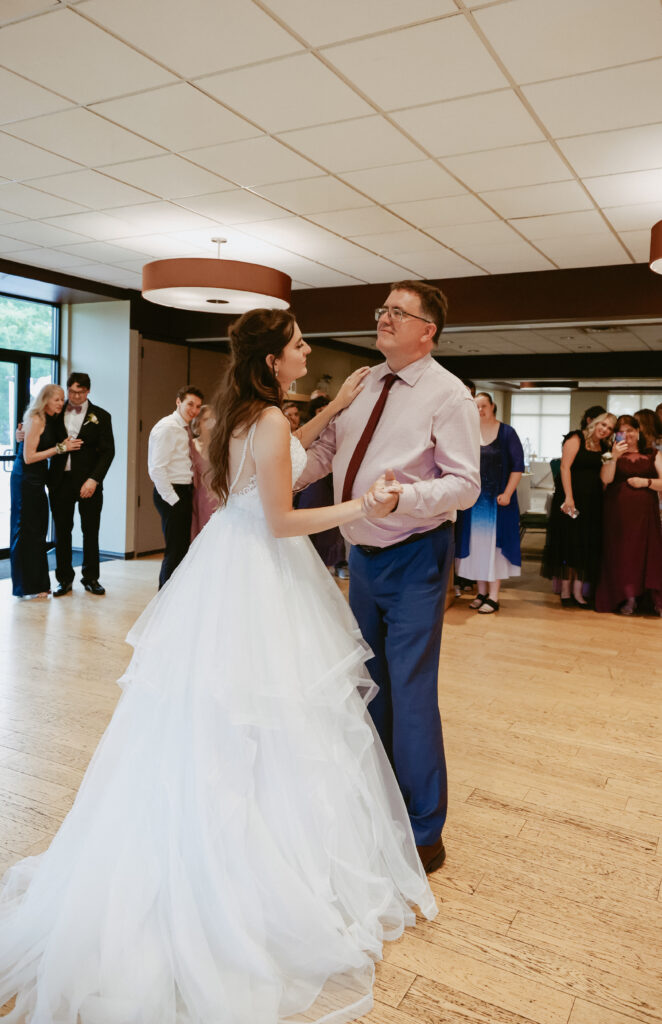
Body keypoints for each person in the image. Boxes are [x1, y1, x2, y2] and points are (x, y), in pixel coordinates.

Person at [0, 308, 437, 1024]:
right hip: (260, 570)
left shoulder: (244, 412)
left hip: (228, 568)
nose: (306, 353)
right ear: (274, 360)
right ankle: (250, 869)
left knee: (236, 716)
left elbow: (275, 457)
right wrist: (364, 505)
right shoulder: (261, 420)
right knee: (264, 715)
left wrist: (334, 404)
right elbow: (279, 516)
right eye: (298, 346)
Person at [295, 280, 481, 874]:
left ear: (428, 331)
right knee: (368, 682)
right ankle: (378, 804)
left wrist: (402, 498)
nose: (385, 319)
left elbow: (464, 484)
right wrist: (282, 481)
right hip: (363, 558)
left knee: (412, 690)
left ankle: (425, 830)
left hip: (415, 554)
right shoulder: (366, 382)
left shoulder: (447, 395)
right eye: (383, 310)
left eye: (400, 313)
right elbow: (326, 453)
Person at [9, 385, 82, 599]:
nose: (62, 403)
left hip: (38, 479)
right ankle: (26, 586)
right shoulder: (36, 418)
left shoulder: (51, 419)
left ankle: (39, 583)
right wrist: (61, 448)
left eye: (62, 399)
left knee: (38, 530)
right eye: (57, 399)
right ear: (46, 400)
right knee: (26, 531)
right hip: (25, 480)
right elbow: (29, 457)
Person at [46, 372, 115, 597]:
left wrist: (94, 479)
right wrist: (21, 433)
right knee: (63, 532)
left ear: (88, 392)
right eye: (72, 391)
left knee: (90, 531)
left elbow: (108, 452)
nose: (75, 396)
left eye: (80, 392)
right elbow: (41, 437)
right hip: (60, 481)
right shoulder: (54, 413)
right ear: (67, 389)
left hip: (89, 483)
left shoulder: (102, 416)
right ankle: (64, 579)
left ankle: (91, 578)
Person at [455, 392, 524, 614]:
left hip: (499, 502)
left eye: (484, 406)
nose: (480, 410)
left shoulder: (507, 433)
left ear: (493, 406)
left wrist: (507, 492)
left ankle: (494, 596)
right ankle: (481, 592)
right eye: (476, 407)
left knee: (494, 547)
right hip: (474, 504)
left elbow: (517, 466)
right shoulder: (468, 433)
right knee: (476, 546)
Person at [541, 412, 616, 606]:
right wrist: (569, 497)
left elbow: (604, 476)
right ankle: (566, 592)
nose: (604, 429)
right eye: (603, 425)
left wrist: (613, 457)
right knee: (569, 543)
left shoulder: (605, 448)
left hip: (592, 502)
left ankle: (578, 592)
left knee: (585, 544)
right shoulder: (576, 438)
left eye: (609, 428)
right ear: (596, 423)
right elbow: (565, 468)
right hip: (570, 501)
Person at [595, 415, 662, 615]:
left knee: (647, 555)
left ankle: (653, 599)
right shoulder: (608, 454)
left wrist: (645, 482)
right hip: (618, 516)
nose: (628, 435)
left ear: (638, 432)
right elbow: (605, 479)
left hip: (645, 517)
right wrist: (614, 457)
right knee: (623, 556)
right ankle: (628, 598)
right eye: (622, 432)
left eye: (631, 430)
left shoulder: (653, 454)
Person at [148, 385, 203, 588]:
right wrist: (173, 499)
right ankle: (165, 597)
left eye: (198, 406)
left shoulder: (183, 428)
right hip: (172, 491)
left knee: (181, 548)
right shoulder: (168, 428)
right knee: (175, 549)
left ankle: (174, 595)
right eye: (190, 404)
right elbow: (156, 469)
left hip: (182, 490)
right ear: (178, 402)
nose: (194, 410)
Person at [295, 395, 347, 574]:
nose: (325, 413)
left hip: (329, 482)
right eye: (320, 410)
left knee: (330, 531)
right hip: (312, 484)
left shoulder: (339, 427)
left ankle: (330, 565)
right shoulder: (308, 431)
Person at [189, 404, 219, 540]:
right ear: (198, 421)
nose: (210, 423)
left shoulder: (219, 446)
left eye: (213, 419)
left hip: (216, 496)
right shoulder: (191, 444)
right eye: (206, 419)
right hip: (196, 495)